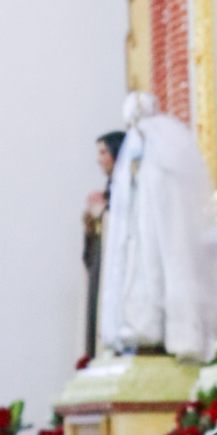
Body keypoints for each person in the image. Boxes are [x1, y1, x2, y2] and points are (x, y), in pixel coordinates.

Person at [99, 91, 217, 361]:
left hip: (159, 235)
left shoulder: (162, 159)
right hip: (138, 234)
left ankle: (169, 333)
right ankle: (139, 330)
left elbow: (169, 205)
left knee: (160, 273)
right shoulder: (139, 158)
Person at [82, 130, 125, 361]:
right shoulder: (109, 190)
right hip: (101, 264)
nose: (99, 159)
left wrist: (104, 213)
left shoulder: (128, 187)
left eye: (103, 152)